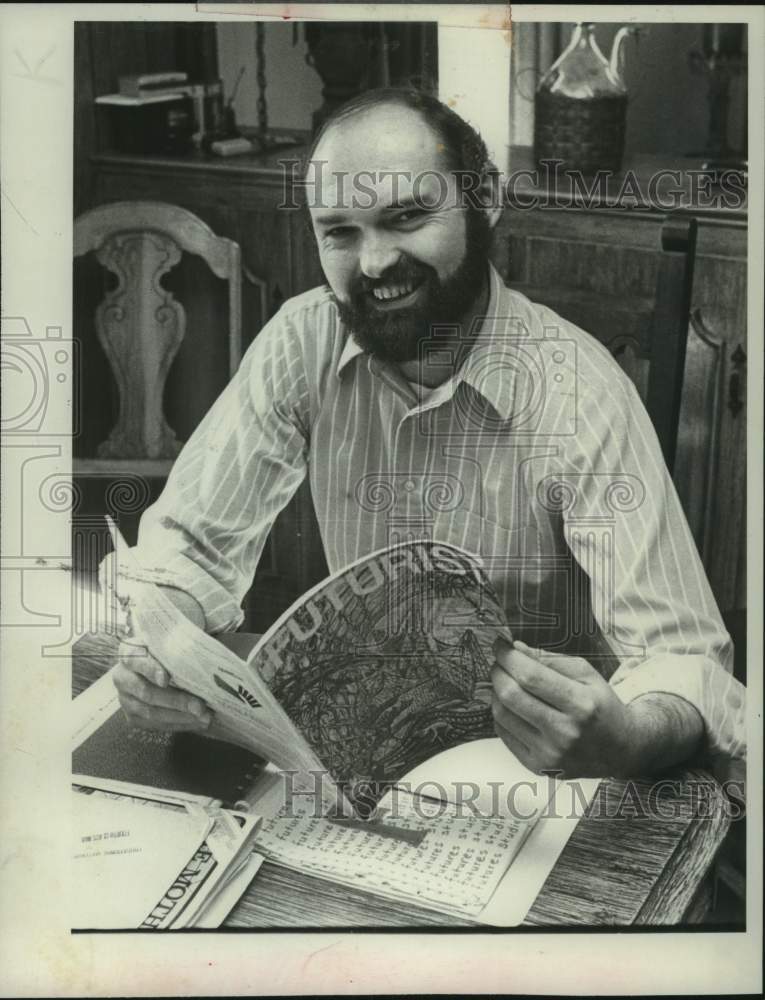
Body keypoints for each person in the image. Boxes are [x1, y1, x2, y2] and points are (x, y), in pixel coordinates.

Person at [106, 88, 746, 781]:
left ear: (484, 200)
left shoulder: (579, 391)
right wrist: (160, 642)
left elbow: (682, 658)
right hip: (359, 764)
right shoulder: (303, 338)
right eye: (340, 232)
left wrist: (623, 736)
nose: (374, 262)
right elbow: (188, 545)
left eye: (406, 217)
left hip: (538, 785)